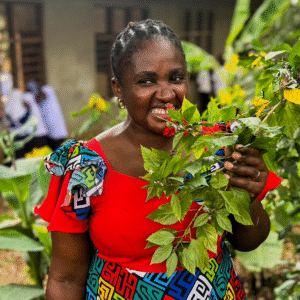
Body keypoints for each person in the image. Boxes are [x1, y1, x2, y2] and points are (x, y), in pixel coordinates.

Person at [35, 19, 282, 300]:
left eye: (176, 78)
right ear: (118, 88)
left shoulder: (218, 147)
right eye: (146, 81)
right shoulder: (87, 168)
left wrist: (248, 198)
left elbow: (248, 242)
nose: (166, 94)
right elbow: (66, 279)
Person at [26, 80, 68, 151]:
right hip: (49, 132)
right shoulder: (36, 99)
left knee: (61, 151)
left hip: (58, 131)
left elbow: (41, 97)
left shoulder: (47, 89)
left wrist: (31, 97)